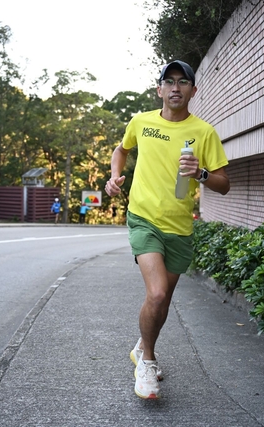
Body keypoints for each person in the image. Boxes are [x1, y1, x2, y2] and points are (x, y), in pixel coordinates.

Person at [105, 60, 230, 399]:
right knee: (158, 293)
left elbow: (224, 184)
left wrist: (201, 174)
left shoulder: (204, 132)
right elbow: (121, 150)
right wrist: (114, 177)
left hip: (180, 228)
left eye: (183, 82)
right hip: (143, 218)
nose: (176, 87)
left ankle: (142, 347)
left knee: (161, 302)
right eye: (169, 81)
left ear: (193, 90)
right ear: (159, 89)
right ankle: (146, 361)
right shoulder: (141, 122)